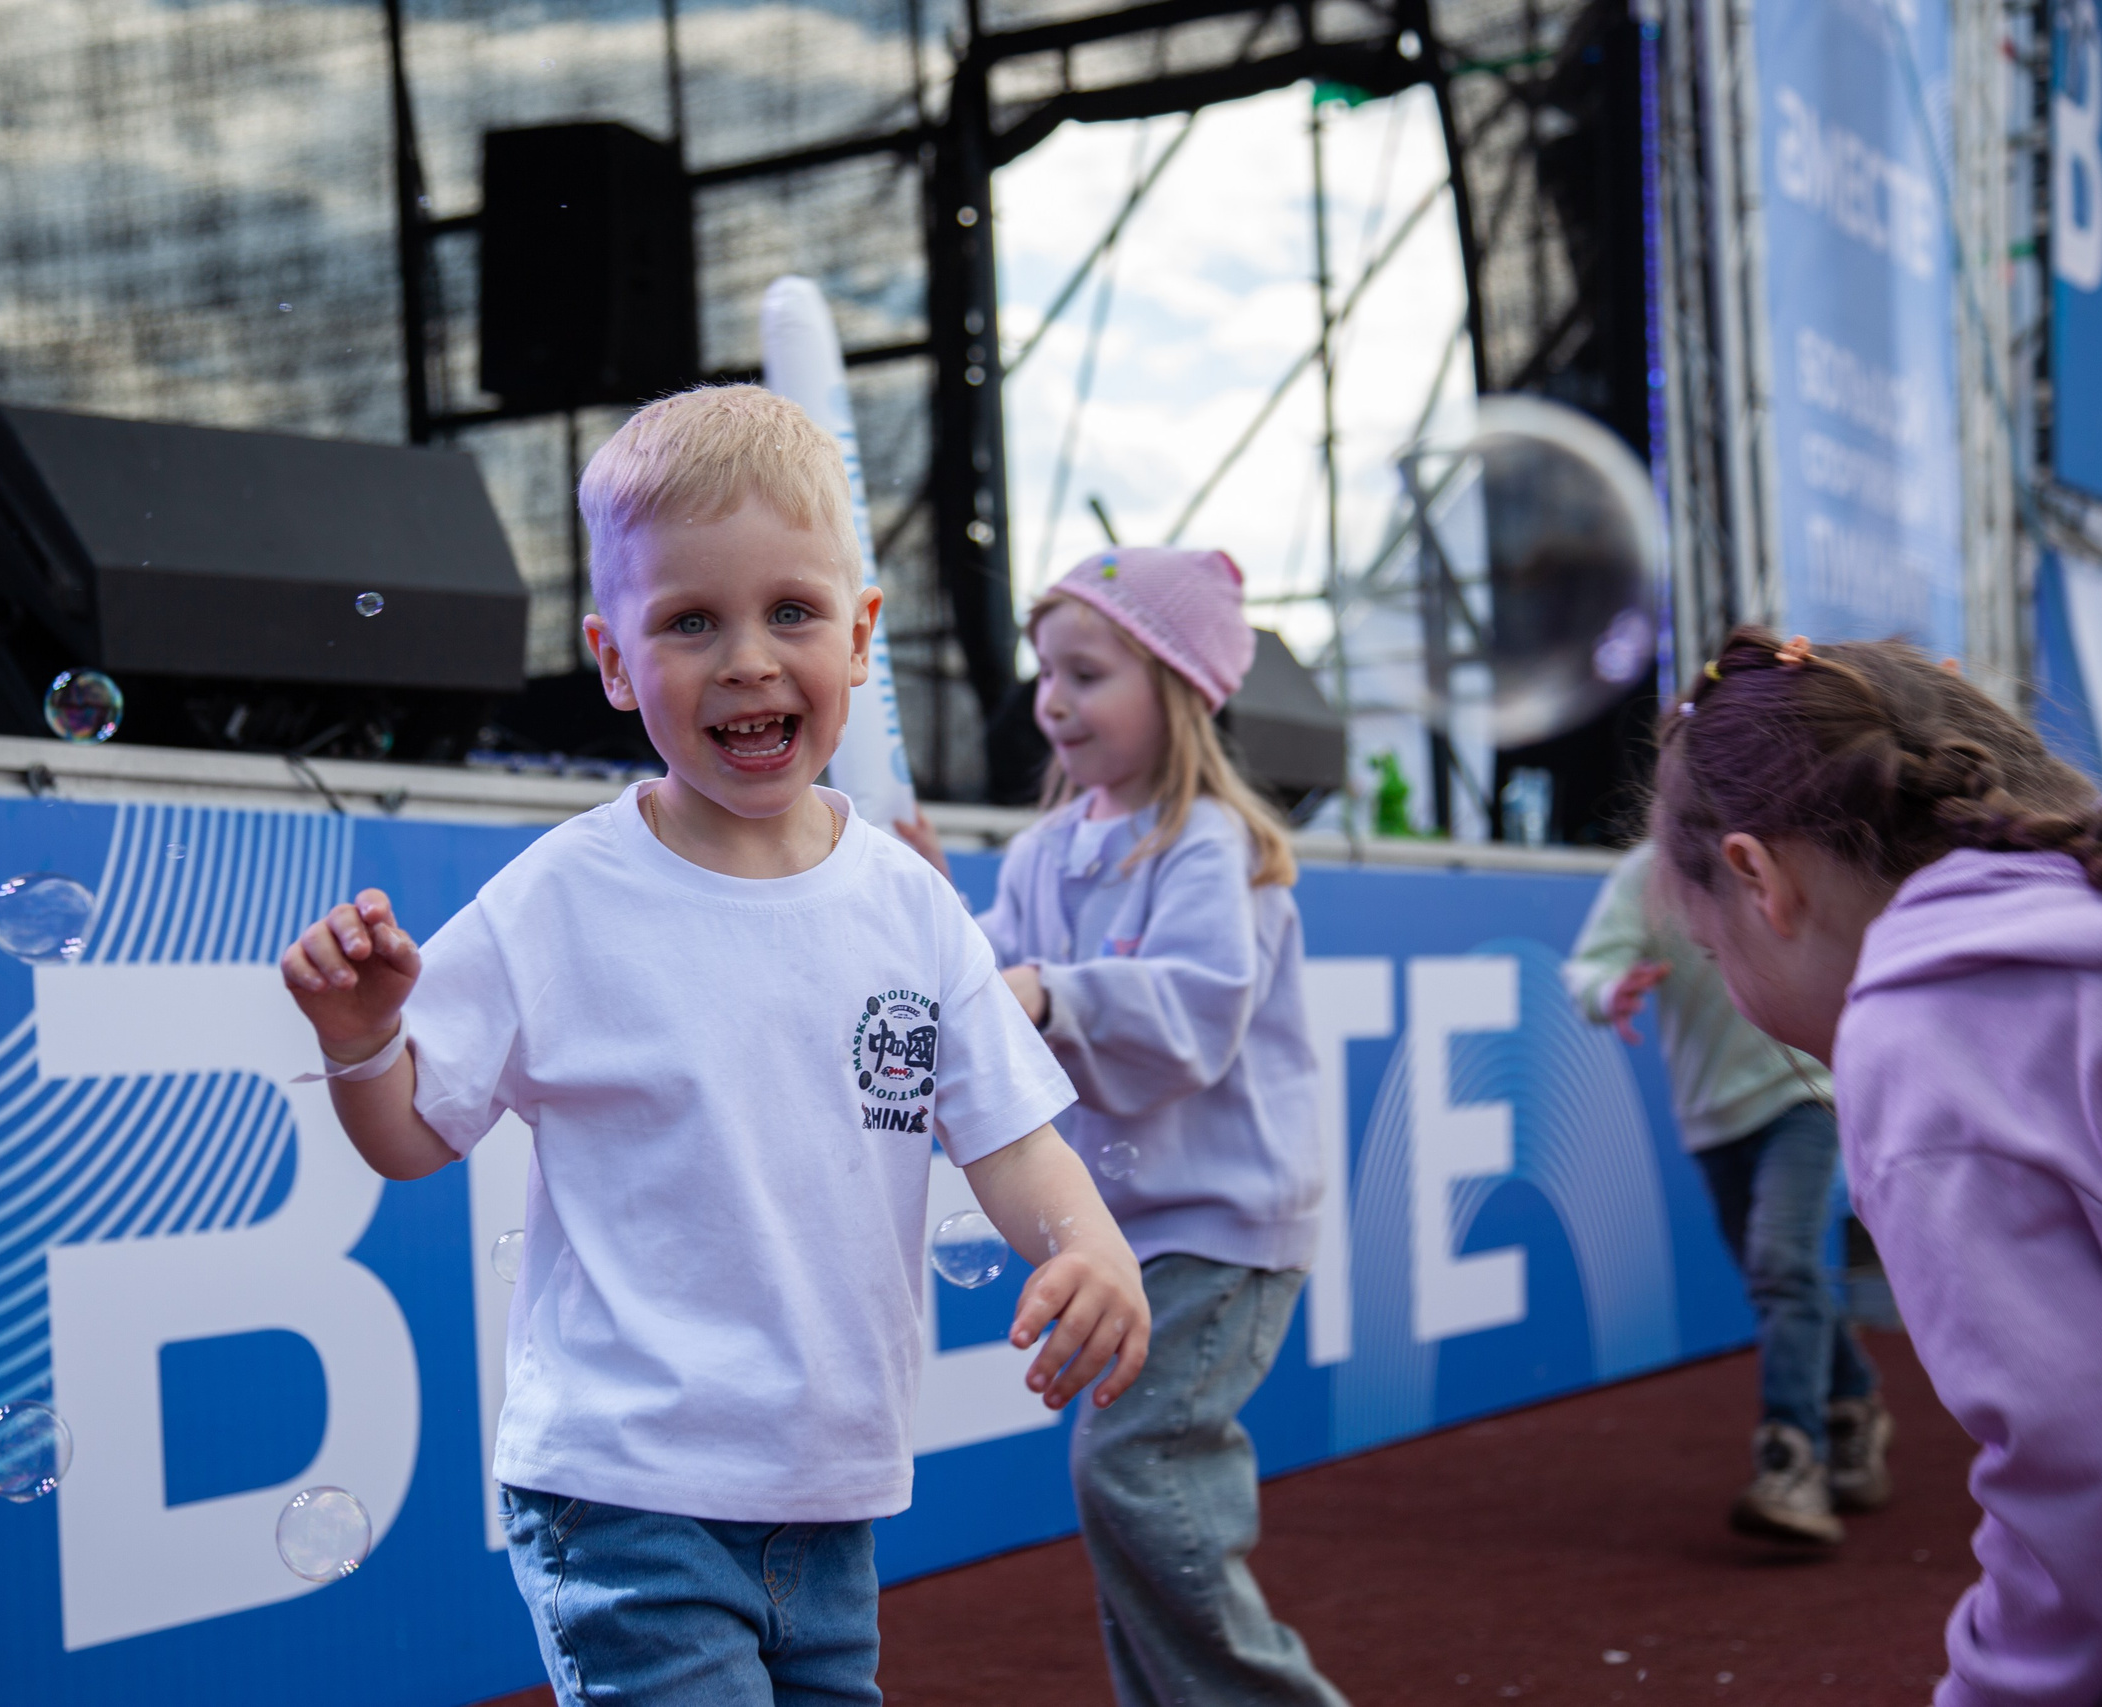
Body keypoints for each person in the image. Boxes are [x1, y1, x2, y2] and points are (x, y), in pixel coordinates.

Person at [277, 384, 1151, 1707]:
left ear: (861, 637)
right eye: (690, 621)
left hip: (829, 1495)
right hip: (623, 1492)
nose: (747, 658)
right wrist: (360, 1040)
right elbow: (407, 1136)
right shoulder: (559, 896)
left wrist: (1089, 1243)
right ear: (613, 660)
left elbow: (1012, 1136)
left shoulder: (909, 903)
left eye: (791, 611)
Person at [897, 547, 1346, 1707]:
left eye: (1086, 673)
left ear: (1181, 688)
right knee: (1131, 1493)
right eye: (1046, 672)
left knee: (1137, 1468)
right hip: (1126, 1235)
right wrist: (928, 913)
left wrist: (1048, 992)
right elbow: (987, 979)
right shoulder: (1044, 850)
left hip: (1219, 1229)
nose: (1052, 698)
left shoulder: (1211, 843)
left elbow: (1193, 1015)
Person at [1652, 626, 2102, 1707]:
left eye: (1712, 955)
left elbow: (2080, 1472)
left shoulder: (1930, 1031)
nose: (1728, 984)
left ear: (1756, 875)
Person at [1564, 840, 1891, 1546]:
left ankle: (1791, 1461)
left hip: (1804, 1091)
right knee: (1780, 1275)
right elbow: (1589, 964)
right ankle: (1855, 1400)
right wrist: (1609, 990)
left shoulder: (1791, 845)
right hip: (1710, 1113)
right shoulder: (1648, 870)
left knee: (1779, 1263)